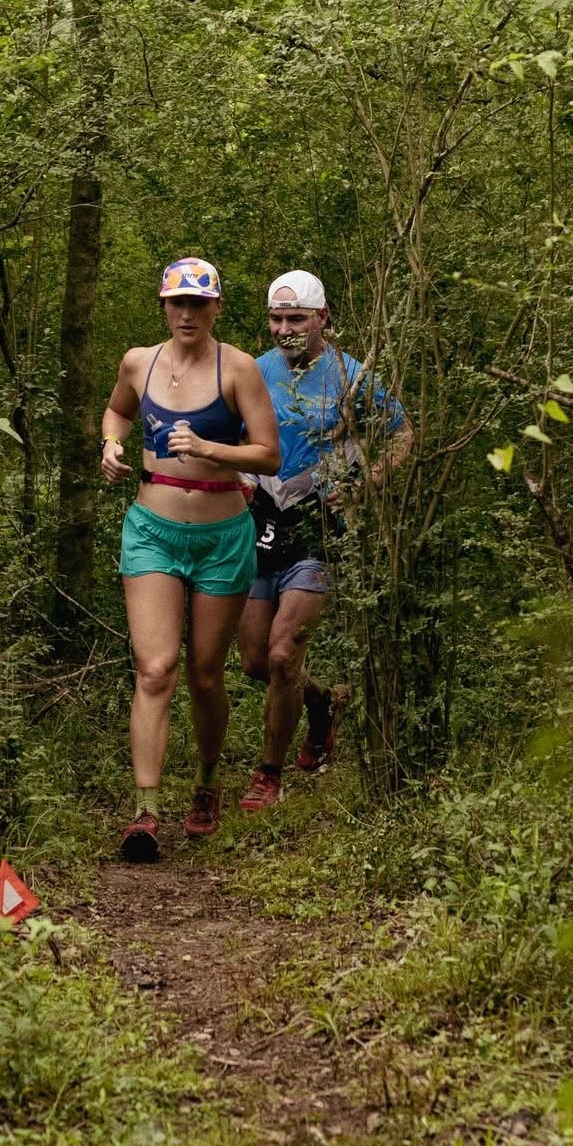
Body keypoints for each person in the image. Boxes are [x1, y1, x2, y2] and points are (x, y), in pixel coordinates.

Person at [100, 257, 280, 861]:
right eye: (177, 302)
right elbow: (119, 410)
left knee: (205, 674)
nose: (187, 313)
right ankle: (145, 812)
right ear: (163, 305)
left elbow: (270, 455)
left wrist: (209, 447)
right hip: (152, 529)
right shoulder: (138, 362)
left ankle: (207, 781)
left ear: (216, 308)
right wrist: (111, 444)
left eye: (198, 303)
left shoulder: (239, 368)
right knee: (156, 668)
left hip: (221, 534)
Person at [237, 270, 412, 813]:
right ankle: (322, 703)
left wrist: (364, 485)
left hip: (320, 527)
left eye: (296, 318)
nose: (284, 329)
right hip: (256, 524)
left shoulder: (352, 377)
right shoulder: (251, 371)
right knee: (256, 662)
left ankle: (268, 775)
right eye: (276, 319)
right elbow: (227, 438)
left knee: (284, 652)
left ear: (322, 318)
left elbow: (403, 435)